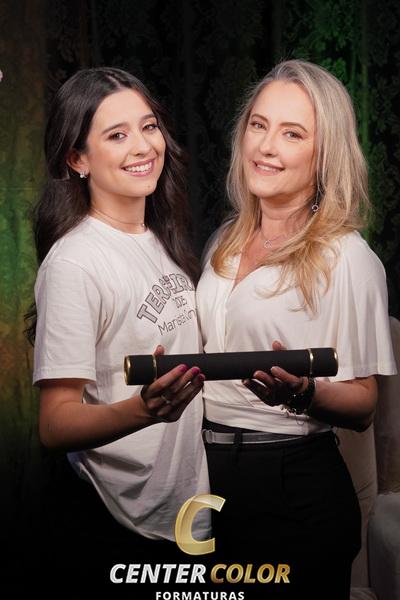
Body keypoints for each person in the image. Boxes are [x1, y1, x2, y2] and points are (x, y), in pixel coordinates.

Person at [196, 59, 396, 599]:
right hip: (208, 477)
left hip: (292, 486)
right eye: (258, 125)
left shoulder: (348, 259)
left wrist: (303, 393)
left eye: (292, 133)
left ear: (324, 153)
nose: (266, 146)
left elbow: (364, 404)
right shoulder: (224, 241)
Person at [25, 67, 210, 588]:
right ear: (77, 159)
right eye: (116, 135)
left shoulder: (161, 238)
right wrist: (143, 409)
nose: (142, 146)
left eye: (148, 127)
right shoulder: (75, 262)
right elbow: (55, 424)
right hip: (115, 522)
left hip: (183, 513)